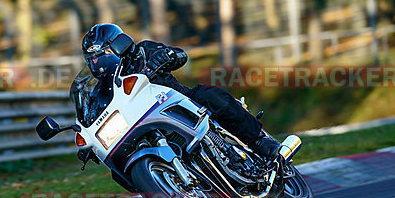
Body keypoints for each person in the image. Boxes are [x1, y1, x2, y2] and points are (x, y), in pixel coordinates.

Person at [81, 23, 283, 161]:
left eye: (100, 55)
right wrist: (90, 142)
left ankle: (259, 141)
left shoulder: (142, 52)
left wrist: (166, 56)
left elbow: (179, 55)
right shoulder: (102, 90)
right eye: (91, 59)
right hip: (143, 124)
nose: (96, 63)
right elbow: (97, 114)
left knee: (209, 94)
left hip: (181, 102)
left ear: (118, 45)